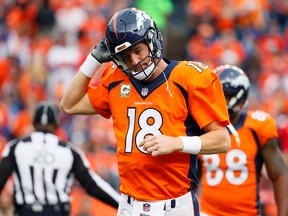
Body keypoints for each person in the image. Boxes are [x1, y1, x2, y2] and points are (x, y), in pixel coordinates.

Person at [60, 7, 231, 216]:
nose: (134, 61)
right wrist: (93, 61)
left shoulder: (189, 78)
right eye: (125, 57)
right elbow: (69, 104)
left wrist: (178, 143)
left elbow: (223, 140)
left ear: (152, 41)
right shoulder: (116, 79)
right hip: (128, 205)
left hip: (174, 205)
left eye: (138, 51)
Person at [0, 101, 120, 216]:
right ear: (57, 125)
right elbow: (92, 185)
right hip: (56, 211)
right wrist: (120, 203)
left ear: (33, 123)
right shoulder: (69, 151)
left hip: (25, 211)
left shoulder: (15, 148)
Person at [198, 65, 288, 216]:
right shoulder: (201, 126)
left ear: (237, 97)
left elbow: (279, 174)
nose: (215, 101)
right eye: (213, 95)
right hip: (207, 212)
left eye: (222, 96)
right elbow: (193, 175)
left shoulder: (258, 126)